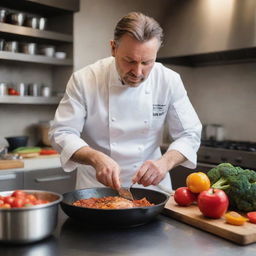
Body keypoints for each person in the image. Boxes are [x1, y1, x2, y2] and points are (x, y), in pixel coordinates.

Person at [49, 12, 202, 193]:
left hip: (153, 189)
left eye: (147, 62)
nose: (137, 72)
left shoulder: (169, 80)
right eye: (130, 61)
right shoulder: (85, 79)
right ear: (113, 48)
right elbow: (61, 132)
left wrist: (164, 163)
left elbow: (190, 134)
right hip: (96, 189)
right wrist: (95, 157)